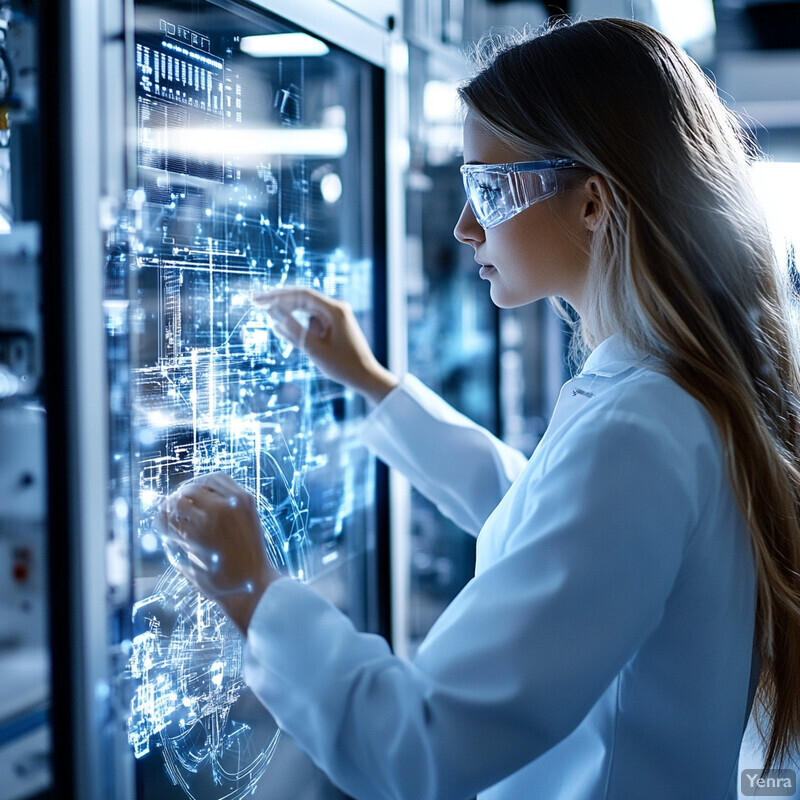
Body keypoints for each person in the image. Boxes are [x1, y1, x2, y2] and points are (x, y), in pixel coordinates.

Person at [156, 17, 800, 799]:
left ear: (593, 202)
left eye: (487, 189)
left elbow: (423, 747)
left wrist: (252, 590)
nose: (464, 226)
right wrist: (372, 382)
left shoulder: (642, 427)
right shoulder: (662, 392)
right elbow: (540, 517)